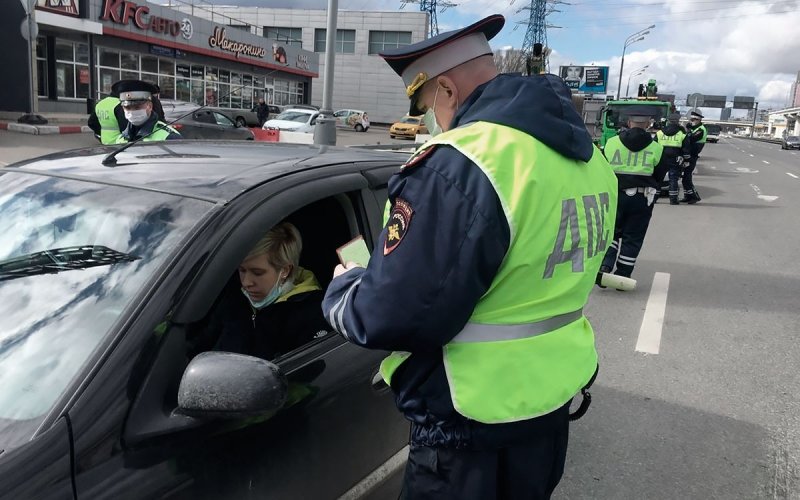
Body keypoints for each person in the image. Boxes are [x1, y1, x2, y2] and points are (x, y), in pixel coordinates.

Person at [320, 14, 618, 499]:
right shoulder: (587, 159)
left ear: (446, 91)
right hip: (548, 405)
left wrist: (344, 287)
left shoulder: (463, 161)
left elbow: (392, 315)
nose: (429, 122)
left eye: (425, 107)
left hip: (469, 424)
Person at [207, 222, 331, 360]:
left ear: (285, 270)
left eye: (257, 273)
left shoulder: (311, 315)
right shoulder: (232, 298)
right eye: (242, 270)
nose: (246, 282)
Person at [599, 109, 669, 281]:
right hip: (641, 198)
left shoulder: (611, 143)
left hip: (614, 196)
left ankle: (605, 265)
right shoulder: (657, 148)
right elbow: (659, 176)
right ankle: (623, 275)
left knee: (611, 232)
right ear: (648, 124)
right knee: (633, 237)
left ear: (629, 123)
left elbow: (601, 169)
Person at [115, 80, 181, 143]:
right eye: (127, 107)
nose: (132, 112)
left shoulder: (170, 137)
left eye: (137, 107)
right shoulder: (121, 139)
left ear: (149, 106)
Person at [655, 112, 691, 205]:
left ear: (668, 121)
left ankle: (654, 198)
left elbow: (653, 146)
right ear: (678, 122)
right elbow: (686, 149)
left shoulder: (659, 133)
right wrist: (687, 160)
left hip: (661, 158)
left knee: (658, 179)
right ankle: (673, 200)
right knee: (673, 179)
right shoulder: (682, 134)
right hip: (675, 159)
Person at [682, 110, 706, 203]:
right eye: (691, 119)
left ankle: (694, 197)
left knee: (687, 177)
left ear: (698, 120)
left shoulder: (701, 130)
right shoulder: (694, 128)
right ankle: (687, 196)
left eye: (693, 119)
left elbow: (690, 139)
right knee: (685, 178)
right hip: (689, 155)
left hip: (692, 155)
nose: (691, 121)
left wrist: (688, 131)